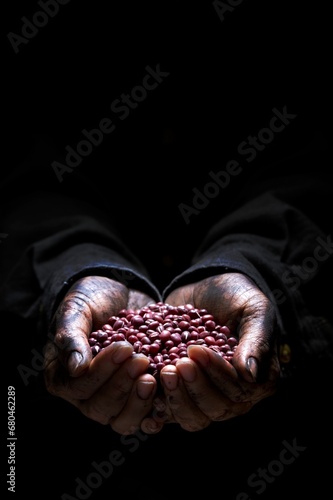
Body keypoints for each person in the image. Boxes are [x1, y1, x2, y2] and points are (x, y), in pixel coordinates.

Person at [2, 1, 333, 497]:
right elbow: (17, 167)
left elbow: (320, 163)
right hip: (48, 442)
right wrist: (70, 271)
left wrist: (257, 268)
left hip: (277, 433)